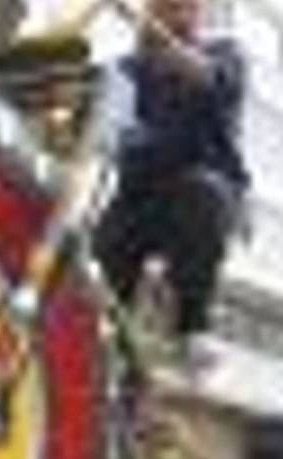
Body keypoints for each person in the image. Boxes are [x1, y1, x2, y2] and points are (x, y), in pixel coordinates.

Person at [95, 0, 250, 373]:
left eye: (182, 8)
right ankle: (111, 339)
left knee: (201, 194)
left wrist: (165, 43)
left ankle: (192, 327)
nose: (174, 16)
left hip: (203, 189)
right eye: (164, 8)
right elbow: (104, 128)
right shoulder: (126, 69)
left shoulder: (225, 52)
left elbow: (212, 78)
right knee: (105, 242)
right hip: (139, 195)